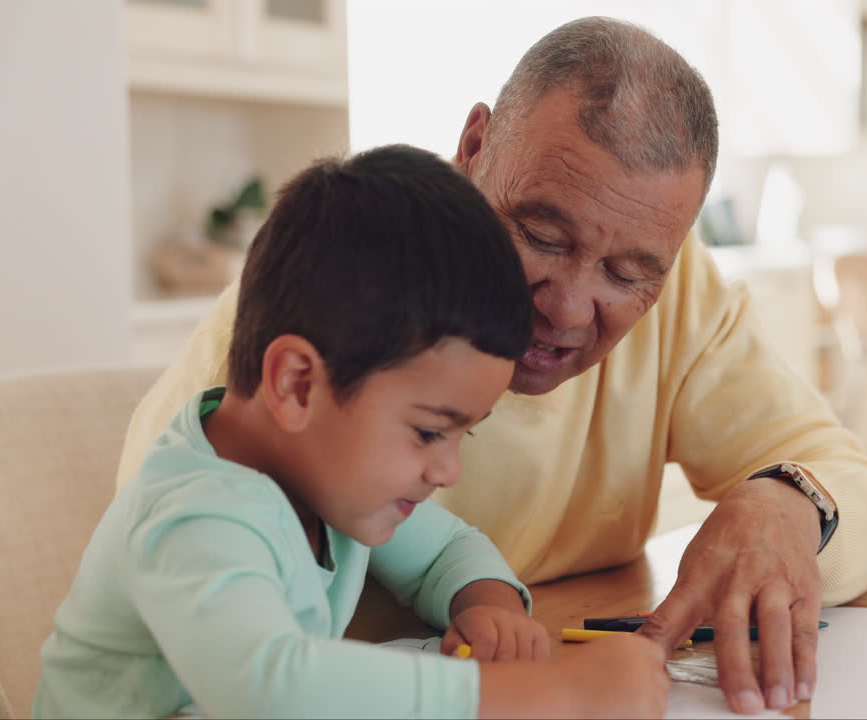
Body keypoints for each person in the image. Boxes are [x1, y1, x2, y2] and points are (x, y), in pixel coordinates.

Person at [115, 17, 867, 715]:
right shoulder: (337, 296)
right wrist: (548, 695)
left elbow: (853, 481)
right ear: (474, 148)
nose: (568, 310)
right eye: (543, 236)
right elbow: (234, 666)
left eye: (628, 274)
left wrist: (789, 505)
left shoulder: (681, 285)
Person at [35, 145, 669, 719]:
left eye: (463, 436)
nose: (448, 470)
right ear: (297, 385)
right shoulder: (197, 513)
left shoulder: (324, 477)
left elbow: (445, 551)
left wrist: (489, 607)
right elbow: (272, 688)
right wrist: (555, 694)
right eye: (429, 433)